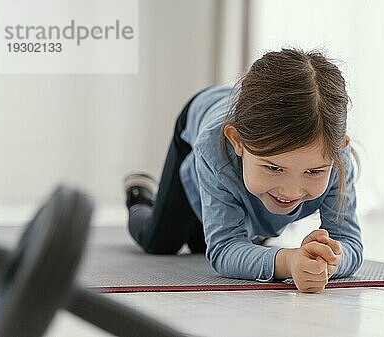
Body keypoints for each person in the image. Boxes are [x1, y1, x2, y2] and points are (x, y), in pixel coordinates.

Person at [124, 48, 362, 293]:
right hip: (200, 121)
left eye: (313, 172)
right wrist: (289, 262)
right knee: (161, 242)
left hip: (249, 131)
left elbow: (350, 244)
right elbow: (224, 248)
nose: (291, 191)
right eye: (273, 167)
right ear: (237, 140)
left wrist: (329, 261)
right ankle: (139, 197)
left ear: (340, 148)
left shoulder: (336, 155)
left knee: (202, 242)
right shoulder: (212, 149)